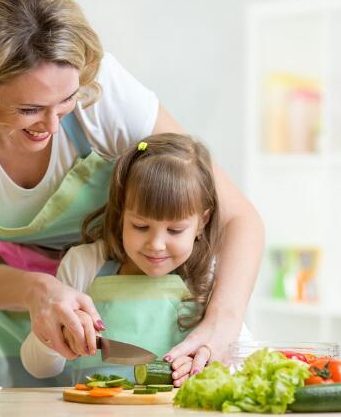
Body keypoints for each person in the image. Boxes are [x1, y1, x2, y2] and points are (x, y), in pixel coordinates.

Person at [0, 0, 264, 387]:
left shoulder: (103, 93)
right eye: (29, 109)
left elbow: (239, 218)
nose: (52, 127)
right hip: (18, 306)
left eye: (67, 100)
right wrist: (41, 292)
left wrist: (223, 324)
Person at [20, 134, 253, 386]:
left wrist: (208, 364)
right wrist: (59, 335)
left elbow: (248, 358)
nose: (156, 244)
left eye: (175, 231)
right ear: (121, 214)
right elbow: (37, 367)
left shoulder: (209, 274)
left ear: (202, 222)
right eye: (140, 226)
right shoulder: (84, 264)